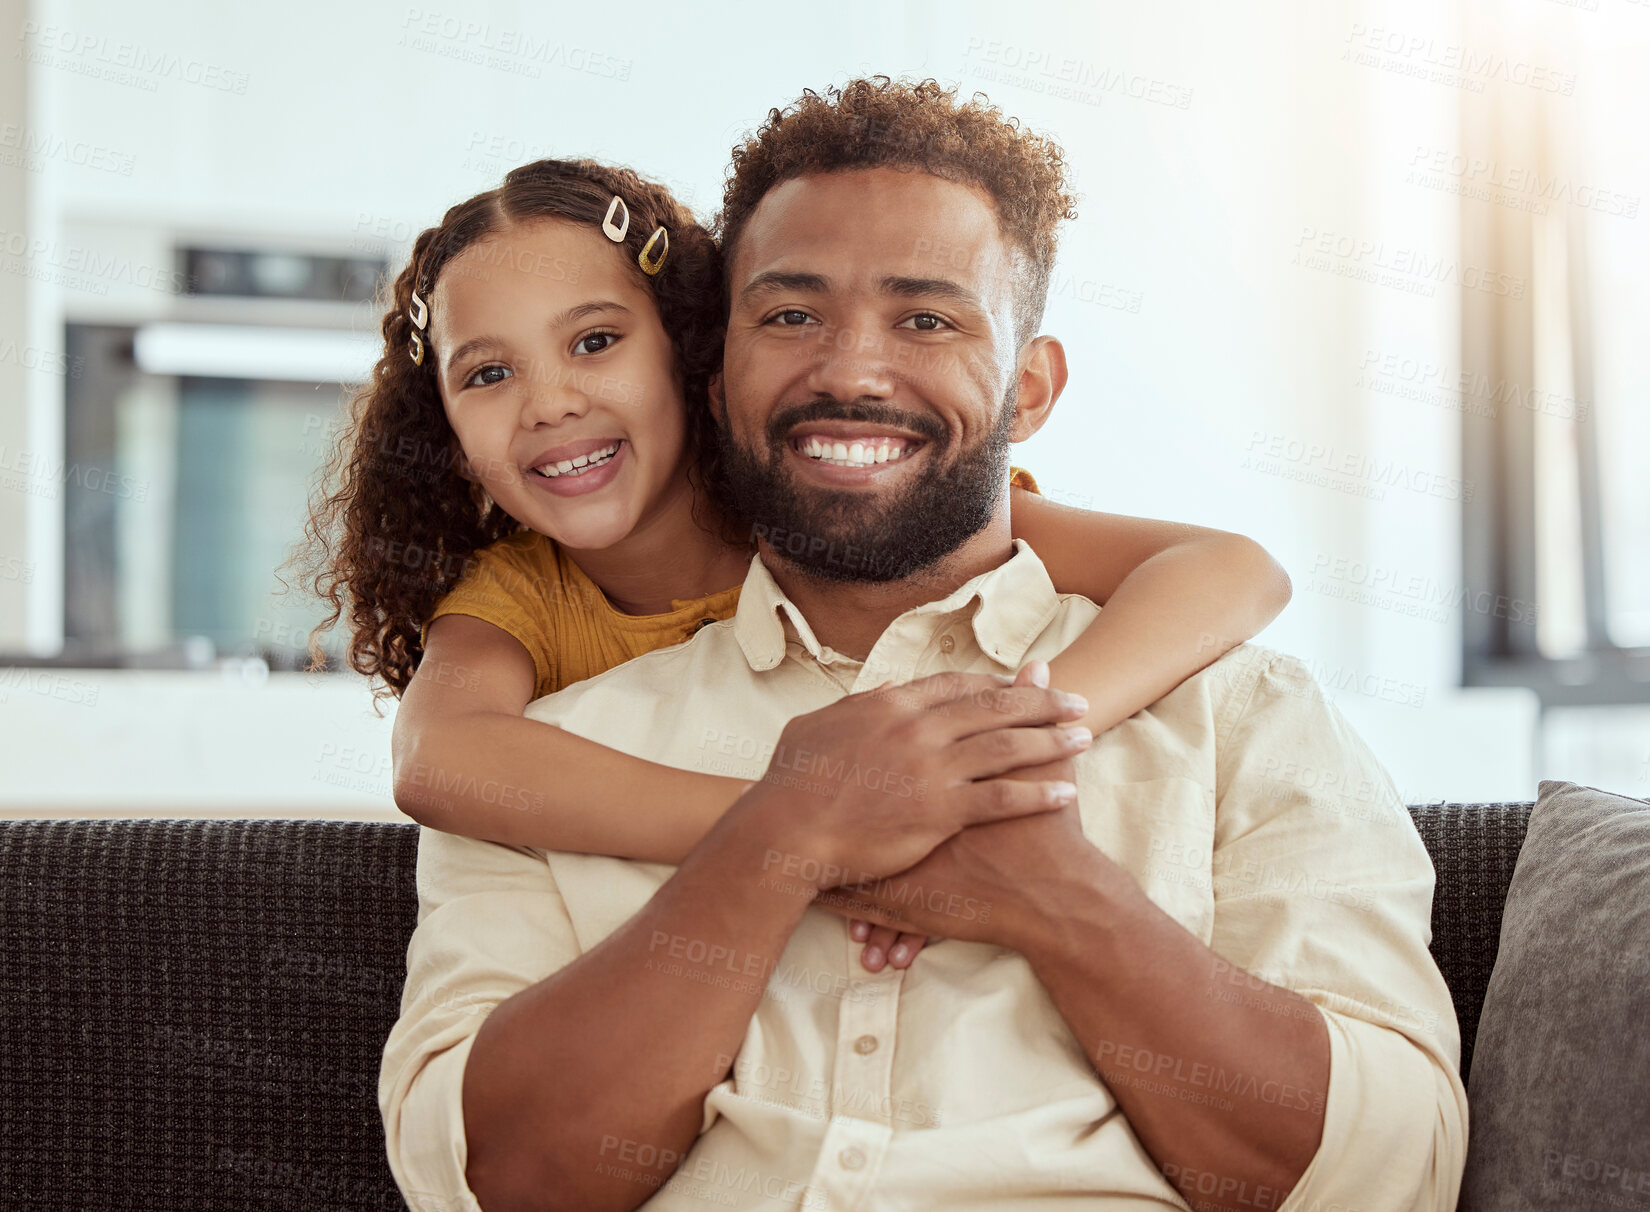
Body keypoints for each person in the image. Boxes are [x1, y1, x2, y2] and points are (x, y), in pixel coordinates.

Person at [378, 77, 1467, 1212]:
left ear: (1030, 388)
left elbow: (1391, 1176)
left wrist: (1058, 891)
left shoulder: (1240, 717)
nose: (850, 371)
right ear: (717, 381)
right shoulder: (550, 762)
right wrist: (776, 841)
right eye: (791, 315)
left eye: (928, 318)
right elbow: (494, 1182)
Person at [297, 152, 1292, 975]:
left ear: (701, 358)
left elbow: (1231, 568)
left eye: (595, 342)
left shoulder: (830, 509)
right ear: (446, 426)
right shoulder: (517, 594)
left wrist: (1019, 735)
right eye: (490, 373)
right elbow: (441, 759)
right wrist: (811, 828)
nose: (550, 402)